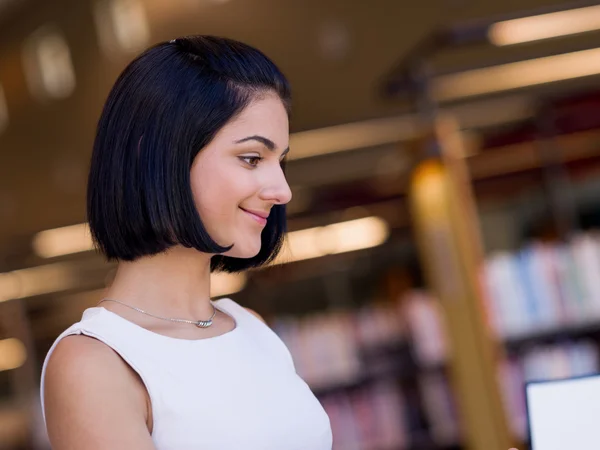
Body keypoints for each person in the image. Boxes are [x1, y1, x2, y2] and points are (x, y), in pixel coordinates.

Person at [40, 35, 333, 449]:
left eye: (279, 161)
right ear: (158, 157)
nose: (281, 190)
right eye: (252, 158)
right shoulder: (96, 362)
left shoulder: (252, 328)